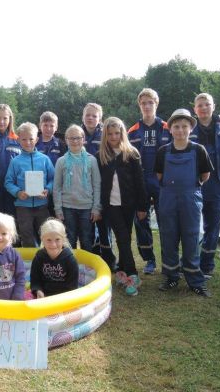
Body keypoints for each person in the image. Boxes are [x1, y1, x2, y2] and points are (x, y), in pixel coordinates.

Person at [154, 109, 214, 297]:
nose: (180, 130)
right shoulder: (163, 151)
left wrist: (189, 188)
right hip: (168, 199)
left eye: (184, 126)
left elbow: (205, 175)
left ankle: (195, 280)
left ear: (191, 129)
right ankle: (171, 277)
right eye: (177, 126)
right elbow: (159, 176)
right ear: (170, 129)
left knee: (191, 238)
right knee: (168, 237)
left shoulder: (199, 150)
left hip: (191, 199)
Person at [97, 117, 147, 296]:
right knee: (122, 236)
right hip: (110, 205)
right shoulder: (101, 155)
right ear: (105, 135)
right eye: (110, 134)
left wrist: (142, 206)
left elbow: (139, 182)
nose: (113, 137)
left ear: (122, 134)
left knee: (124, 237)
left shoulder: (131, 153)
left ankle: (122, 270)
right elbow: (98, 183)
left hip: (129, 203)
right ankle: (133, 274)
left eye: (116, 133)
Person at [190, 93, 220, 277]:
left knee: (213, 226)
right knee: (191, 225)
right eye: (200, 105)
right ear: (195, 109)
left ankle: (207, 265)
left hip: (217, 182)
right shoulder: (188, 128)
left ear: (213, 106)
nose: (203, 108)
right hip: (194, 183)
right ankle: (190, 262)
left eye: (207, 104)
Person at [128, 88, 171, 275]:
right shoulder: (132, 131)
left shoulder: (168, 127)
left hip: (163, 182)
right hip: (141, 182)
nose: (147, 106)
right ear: (139, 105)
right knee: (141, 220)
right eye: (143, 103)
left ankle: (168, 260)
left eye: (150, 102)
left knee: (166, 222)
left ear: (156, 104)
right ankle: (149, 260)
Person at [4, 122, 54, 247]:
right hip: (23, 207)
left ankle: (45, 257)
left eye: (31, 139)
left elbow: (53, 179)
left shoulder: (44, 159)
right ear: (18, 140)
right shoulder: (15, 162)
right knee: (26, 236)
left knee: (46, 234)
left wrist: (48, 190)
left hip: (42, 205)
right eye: (24, 139)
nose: (28, 142)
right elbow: (8, 182)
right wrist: (18, 192)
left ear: (36, 139)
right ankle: (30, 259)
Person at [53, 124, 101, 251]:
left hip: (87, 207)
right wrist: (58, 209)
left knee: (86, 239)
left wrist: (96, 208)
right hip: (67, 207)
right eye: (71, 138)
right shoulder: (61, 161)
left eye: (78, 138)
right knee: (70, 239)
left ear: (83, 139)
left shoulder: (92, 160)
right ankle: (70, 263)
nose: (75, 141)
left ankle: (86, 263)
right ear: (66, 140)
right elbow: (57, 187)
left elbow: (97, 185)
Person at [81, 103, 117, 269]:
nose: (90, 118)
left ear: (100, 118)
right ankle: (92, 259)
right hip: (82, 187)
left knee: (104, 225)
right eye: (87, 115)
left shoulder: (105, 134)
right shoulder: (77, 134)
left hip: (103, 186)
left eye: (94, 116)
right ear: (83, 117)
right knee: (87, 226)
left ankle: (109, 259)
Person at [30, 218, 79, 298]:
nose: (53, 244)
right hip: (43, 298)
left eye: (57, 239)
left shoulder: (70, 260)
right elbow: (35, 280)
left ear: (63, 239)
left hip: (64, 298)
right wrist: (38, 290)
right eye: (49, 240)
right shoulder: (39, 257)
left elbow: (72, 286)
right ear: (42, 240)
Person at [36, 111, 67, 218]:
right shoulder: (33, 142)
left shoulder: (61, 144)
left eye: (52, 125)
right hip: (38, 184)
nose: (48, 128)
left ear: (56, 127)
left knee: (55, 215)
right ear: (40, 126)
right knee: (40, 217)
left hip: (56, 185)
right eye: (45, 125)